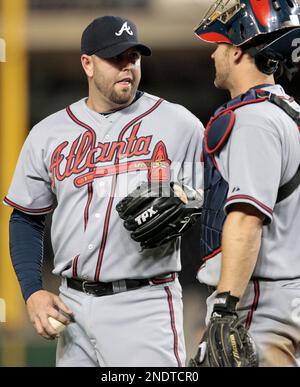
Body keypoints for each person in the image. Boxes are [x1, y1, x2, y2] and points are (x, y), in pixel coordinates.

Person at [3, 16, 204, 367]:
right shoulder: (48, 133)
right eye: (115, 57)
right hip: (72, 305)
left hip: (144, 303)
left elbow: (209, 203)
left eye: (134, 57)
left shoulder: (179, 124)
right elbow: (25, 219)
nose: (127, 66)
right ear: (87, 64)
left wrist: (190, 202)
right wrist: (32, 290)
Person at [191, 0, 300, 367]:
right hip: (286, 293)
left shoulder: (253, 120)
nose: (213, 56)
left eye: (219, 46)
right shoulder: (288, 113)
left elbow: (246, 217)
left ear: (238, 51)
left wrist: (225, 306)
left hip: (258, 302)